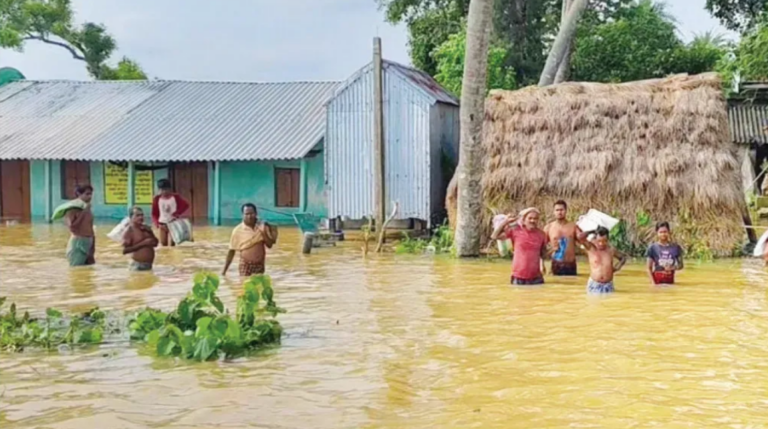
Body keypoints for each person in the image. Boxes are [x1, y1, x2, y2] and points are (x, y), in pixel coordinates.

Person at [491, 207, 548, 285]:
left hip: (536, 278)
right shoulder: (515, 231)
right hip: (518, 277)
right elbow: (494, 236)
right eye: (530, 218)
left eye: (535, 219)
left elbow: (543, 253)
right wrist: (506, 222)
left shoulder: (541, 234)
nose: (533, 221)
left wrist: (544, 263)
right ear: (524, 220)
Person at [222, 203, 278, 277]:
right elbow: (231, 251)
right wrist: (224, 271)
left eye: (251, 213)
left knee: (259, 287)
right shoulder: (237, 230)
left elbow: (270, 245)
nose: (249, 216)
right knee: (244, 286)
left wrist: (263, 232)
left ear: (256, 213)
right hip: (245, 266)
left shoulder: (262, 226)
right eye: (246, 214)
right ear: (243, 215)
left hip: (260, 266)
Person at [581, 227, 627, 294]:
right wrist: (592, 231)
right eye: (599, 241)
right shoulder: (591, 248)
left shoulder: (611, 250)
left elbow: (623, 258)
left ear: (608, 240)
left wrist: (617, 267)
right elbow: (580, 237)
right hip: (594, 285)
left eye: (604, 241)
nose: (601, 244)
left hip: (608, 285)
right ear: (595, 239)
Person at [543, 200, 582, 276]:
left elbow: (583, 242)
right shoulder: (549, 228)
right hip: (556, 264)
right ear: (554, 212)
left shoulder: (573, 226)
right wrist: (551, 250)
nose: (559, 212)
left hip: (570, 264)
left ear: (566, 211)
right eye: (557, 210)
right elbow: (541, 250)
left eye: (561, 210)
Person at [63, 185, 96, 267]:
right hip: (78, 241)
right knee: (76, 268)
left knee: (88, 268)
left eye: (91, 194)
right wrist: (84, 212)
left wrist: (92, 245)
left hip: (89, 240)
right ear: (79, 194)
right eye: (87, 194)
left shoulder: (87, 207)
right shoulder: (72, 208)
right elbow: (72, 227)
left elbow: (89, 225)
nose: (90, 197)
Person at [151, 179, 190, 247]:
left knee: (172, 244)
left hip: (173, 223)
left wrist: (177, 213)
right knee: (163, 244)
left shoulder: (175, 197)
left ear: (170, 189)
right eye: (162, 190)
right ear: (159, 190)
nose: (164, 192)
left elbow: (186, 205)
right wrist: (157, 224)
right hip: (162, 224)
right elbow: (154, 213)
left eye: (166, 189)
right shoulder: (156, 199)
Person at [122, 206, 159, 271]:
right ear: (131, 217)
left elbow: (155, 244)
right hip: (137, 266)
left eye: (142, 215)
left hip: (149, 265)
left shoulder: (146, 228)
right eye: (137, 215)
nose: (141, 217)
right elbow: (125, 251)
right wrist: (143, 243)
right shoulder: (129, 231)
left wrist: (150, 232)